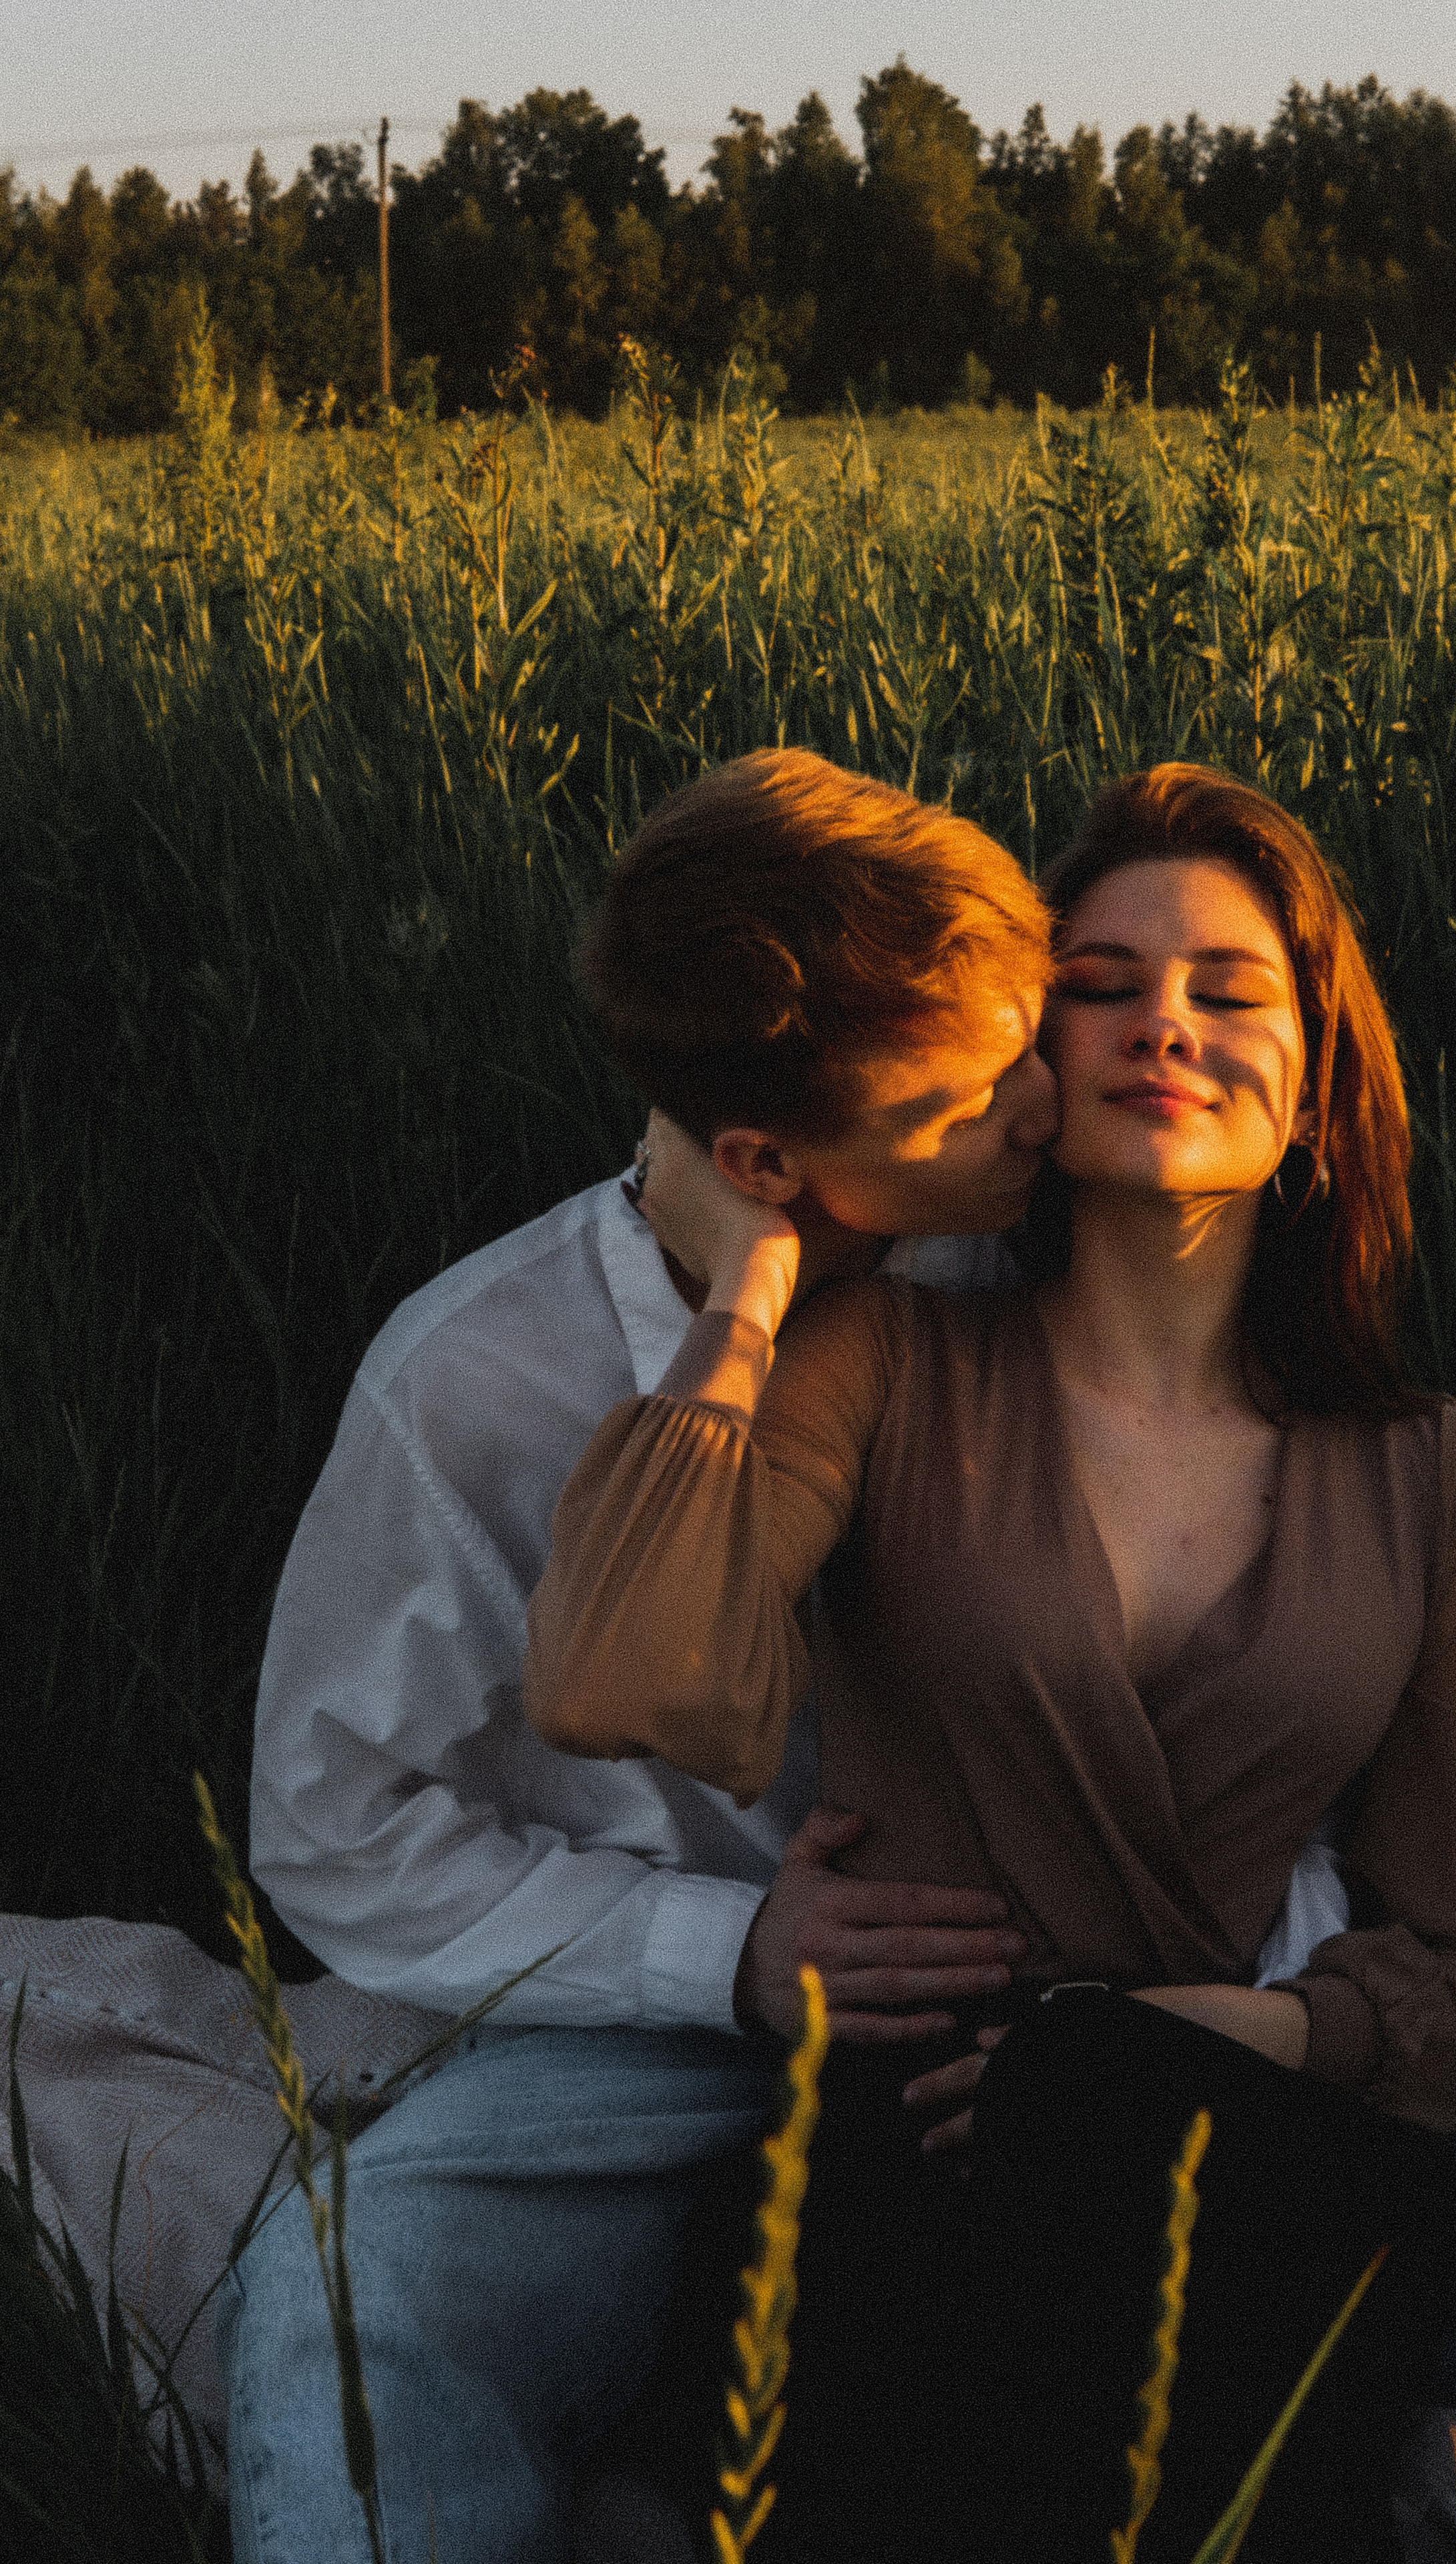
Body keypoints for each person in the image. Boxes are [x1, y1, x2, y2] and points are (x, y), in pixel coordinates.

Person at [523, 763, 1456, 2564]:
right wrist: (758, 1277)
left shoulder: (1431, 1471)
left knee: (1335, 2218)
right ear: (1025, 1065)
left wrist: (1224, 2030)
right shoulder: (890, 1361)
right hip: (915, 2129)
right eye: (1100, 984)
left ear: (1314, 1090)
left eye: (1230, 993)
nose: (1164, 1022)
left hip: (1239, 2127)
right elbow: (625, 1676)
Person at [218, 748, 1072, 2564]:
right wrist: (723, 1950)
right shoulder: (474, 1382)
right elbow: (332, 1820)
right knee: (360, 2294)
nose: (1044, 1103)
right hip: (649, 2027)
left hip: (1076, 1978)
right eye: (975, 1086)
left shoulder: (1028, 1270)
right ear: (765, 1160)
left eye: (1037, 1037)